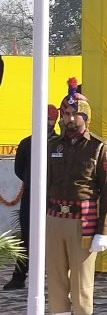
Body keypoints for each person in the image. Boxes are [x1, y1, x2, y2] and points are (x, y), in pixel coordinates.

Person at [46, 79, 107, 315]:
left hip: (83, 218)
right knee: (55, 272)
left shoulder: (98, 147)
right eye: (66, 114)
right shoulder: (52, 145)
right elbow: (44, 184)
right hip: (54, 216)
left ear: (86, 116)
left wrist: (102, 230)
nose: (70, 119)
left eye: (75, 114)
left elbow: (106, 191)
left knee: (82, 275)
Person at [3, 105, 59, 290]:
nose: (46, 122)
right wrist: (32, 181)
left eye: (50, 119)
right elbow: (19, 169)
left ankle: (57, 279)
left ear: (55, 121)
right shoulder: (26, 143)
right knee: (27, 237)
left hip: (54, 198)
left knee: (56, 239)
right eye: (43, 118)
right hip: (31, 196)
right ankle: (19, 277)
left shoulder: (60, 144)